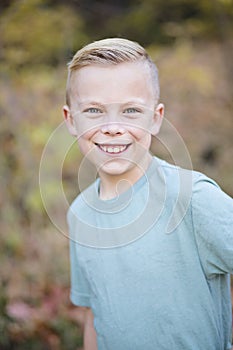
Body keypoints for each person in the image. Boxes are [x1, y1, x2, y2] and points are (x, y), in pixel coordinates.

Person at [63, 38, 233, 350]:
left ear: (155, 118)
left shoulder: (194, 198)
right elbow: (93, 316)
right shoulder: (79, 214)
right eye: (93, 110)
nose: (112, 127)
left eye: (130, 110)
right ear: (71, 120)